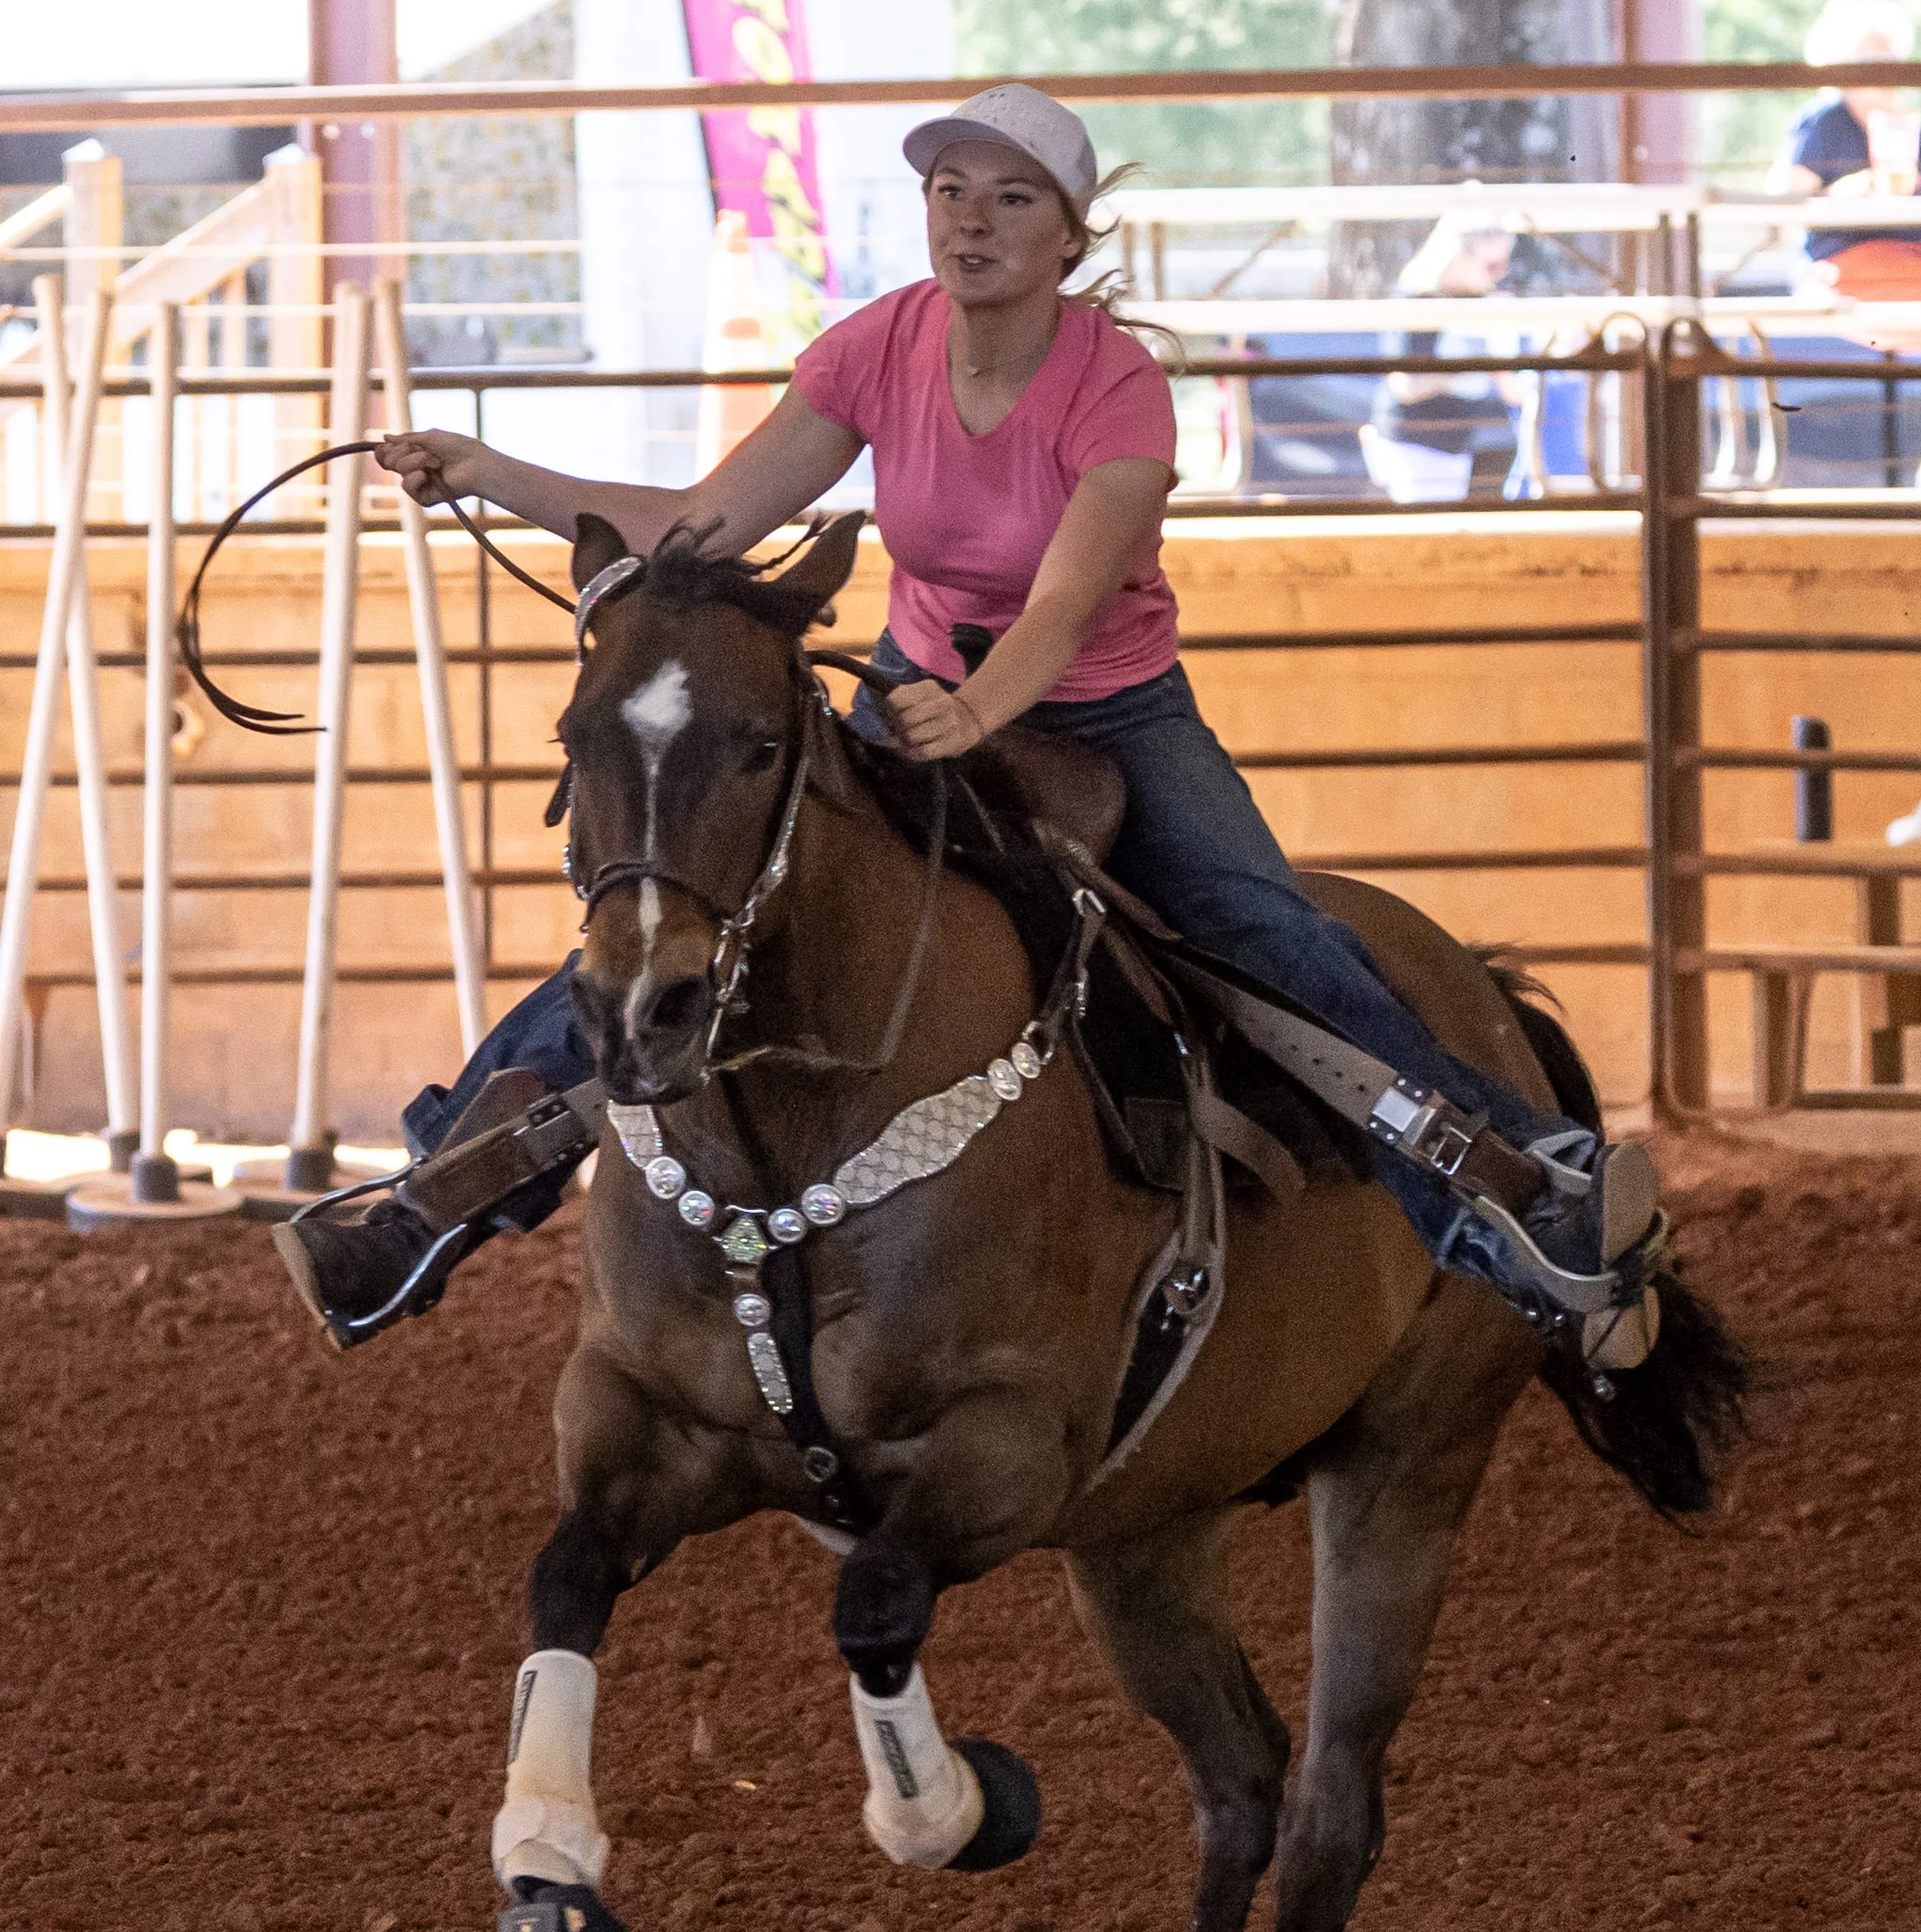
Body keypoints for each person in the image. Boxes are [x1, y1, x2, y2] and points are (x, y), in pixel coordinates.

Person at [277, 83, 1662, 1368]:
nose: (970, 220)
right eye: (949, 189)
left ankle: (1520, 1189)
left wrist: (973, 711)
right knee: (679, 903)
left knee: (1259, 927)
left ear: (1067, 235)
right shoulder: (875, 346)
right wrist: (487, 469)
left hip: (1106, 706)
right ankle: (430, 1197)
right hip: (915, 683)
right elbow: (697, 527)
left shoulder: (1115, 385)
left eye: (1008, 198)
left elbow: (1066, 601)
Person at [1771, 0, 1921, 309]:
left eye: (1891, 60)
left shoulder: (1913, 130)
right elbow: (1782, 211)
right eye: (1872, 60)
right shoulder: (1825, 122)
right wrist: (1847, 192)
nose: (1885, 70)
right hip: (1845, 261)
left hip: (1914, 254)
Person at [1362, 213, 1525, 503]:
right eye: (1492, 265)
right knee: (1430, 535)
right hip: (1417, 444)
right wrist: (1471, 365)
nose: (1500, 275)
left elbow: (1512, 391)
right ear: (1460, 255)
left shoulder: (1476, 303)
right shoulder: (1420, 300)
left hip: (1454, 444)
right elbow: (1406, 386)